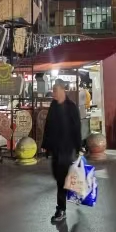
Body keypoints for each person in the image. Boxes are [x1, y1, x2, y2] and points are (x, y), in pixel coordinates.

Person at [41, 81, 83, 224]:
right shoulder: (54, 106)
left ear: (63, 91)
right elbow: (48, 125)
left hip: (67, 148)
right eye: (53, 91)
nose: (53, 94)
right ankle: (72, 192)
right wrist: (45, 145)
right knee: (59, 176)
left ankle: (61, 209)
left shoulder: (71, 108)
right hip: (56, 148)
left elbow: (77, 128)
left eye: (55, 91)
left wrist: (79, 147)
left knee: (60, 180)